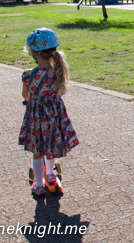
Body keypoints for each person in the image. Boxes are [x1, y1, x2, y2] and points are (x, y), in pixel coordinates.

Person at [19, 28, 79, 197]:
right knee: (51, 146)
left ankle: (38, 185)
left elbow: (26, 95)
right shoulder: (57, 72)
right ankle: (51, 175)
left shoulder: (28, 75)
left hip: (36, 118)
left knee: (37, 151)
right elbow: (60, 92)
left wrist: (36, 99)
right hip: (53, 117)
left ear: (33, 53)